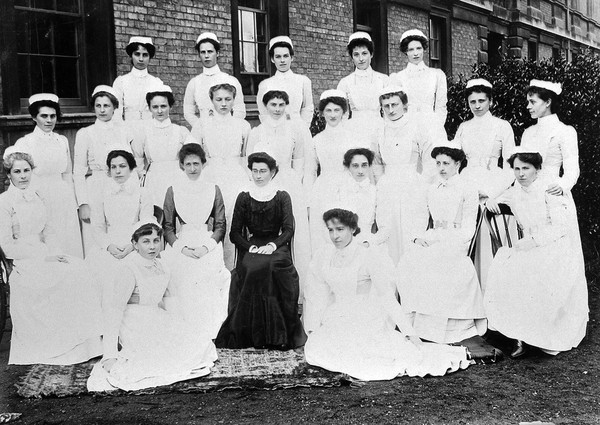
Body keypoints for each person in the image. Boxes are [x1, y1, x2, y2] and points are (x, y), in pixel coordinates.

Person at [303, 208, 470, 381]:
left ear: (352, 229)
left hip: (363, 317)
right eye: (331, 230)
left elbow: (387, 298)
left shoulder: (367, 255)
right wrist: (313, 325)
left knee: (362, 359)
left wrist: (410, 333)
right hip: (338, 314)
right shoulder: (326, 255)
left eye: (340, 229)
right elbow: (320, 294)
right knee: (315, 348)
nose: (335, 236)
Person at [87, 222, 218, 391]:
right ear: (135, 244)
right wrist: (110, 355)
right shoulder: (128, 268)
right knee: (155, 357)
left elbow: (171, 299)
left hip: (155, 316)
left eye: (156, 241)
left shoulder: (163, 266)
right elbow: (114, 311)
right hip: (133, 322)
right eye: (146, 241)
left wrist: (180, 327)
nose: (152, 246)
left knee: (197, 343)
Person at [1, 150, 102, 365]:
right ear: (8, 175)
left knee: (80, 269)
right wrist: (40, 257)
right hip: (23, 259)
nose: (23, 176)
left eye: (26, 170)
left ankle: (85, 345)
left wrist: (55, 252)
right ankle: (56, 346)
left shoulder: (38, 196)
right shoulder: (5, 201)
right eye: (17, 171)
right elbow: (6, 245)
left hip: (45, 253)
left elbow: (49, 232)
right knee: (61, 276)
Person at [484, 149, 588, 357]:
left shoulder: (549, 190)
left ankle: (536, 333)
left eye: (526, 168)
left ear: (537, 169)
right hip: (528, 245)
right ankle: (518, 335)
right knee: (505, 267)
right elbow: (494, 199)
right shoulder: (514, 191)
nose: (521, 173)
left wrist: (534, 241)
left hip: (554, 245)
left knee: (533, 272)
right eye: (516, 169)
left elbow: (561, 227)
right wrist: (490, 201)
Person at [396, 142, 486, 344]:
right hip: (434, 234)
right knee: (411, 257)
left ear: (458, 164)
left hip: (457, 237)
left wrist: (450, 240)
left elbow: (469, 227)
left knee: (438, 258)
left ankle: (447, 329)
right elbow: (421, 218)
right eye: (438, 163)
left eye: (446, 163)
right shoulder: (432, 188)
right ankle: (419, 325)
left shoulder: (467, 188)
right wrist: (419, 237)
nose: (442, 168)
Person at [215, 152, 306, 349]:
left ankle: (278, 335)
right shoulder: (244, 197)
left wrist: (272, 246)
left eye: (263, 171)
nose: (258, 175)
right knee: (250, 266)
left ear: (272, 172)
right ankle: (255, 334)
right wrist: (252, 247)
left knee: (274, 264)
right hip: (254, 245)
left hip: (277, 246)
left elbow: (289, 229)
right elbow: (235, 233)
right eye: (255, 171)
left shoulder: (282, 196)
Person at [161, 143, 231, 338]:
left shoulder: (213, 189)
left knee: (207, 272)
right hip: (182, 241)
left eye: (196, 164)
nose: (192, 169)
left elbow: (220, 225)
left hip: (207, 242)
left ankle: (208, 329)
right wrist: (181, 247)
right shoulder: (173, 190)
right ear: (181, 166)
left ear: (203, 164)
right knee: (181, 271)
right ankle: (184, 327)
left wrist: (206, 247)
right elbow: (167, 226)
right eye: (188, 164)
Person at [247, 89, 311, 292]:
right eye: (273, 105)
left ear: (286, 106)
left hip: (289, 182)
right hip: (265, 184)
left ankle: (295, 288)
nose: (277, 109)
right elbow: (250, 162)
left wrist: (294, 181)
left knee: (294, 230)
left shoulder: (294, 130)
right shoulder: (257, 131)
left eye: (281, 104)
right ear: (266, 106)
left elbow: (299, 161)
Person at [453, 78, 515, 285]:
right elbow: (454, 161)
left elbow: (510, 167)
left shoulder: (502, 126)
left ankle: (493, 287)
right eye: (472, 102)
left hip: (494, 183)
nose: (477, 106)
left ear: (490, 101)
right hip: (468, 180)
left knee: (493, 229)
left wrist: (490, 193)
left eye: (482, 100)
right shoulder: (463, 127)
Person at [519, 79, 585, 267]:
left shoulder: (565, 131)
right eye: (527, 102)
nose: (528, 107)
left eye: (533, 102)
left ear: (547, 102)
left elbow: (572, 169)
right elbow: (520, 167)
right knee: (531, 248)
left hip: (553, 194)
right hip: (530, 196)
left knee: (557, 252)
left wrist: (562, 186)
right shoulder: (528, 132)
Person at [374, 85, 441, 264]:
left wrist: (422, 184)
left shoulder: (417, 128)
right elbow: (376, 163)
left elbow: (429, 159)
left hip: (413, 185)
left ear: (404, 105)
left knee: (412, 233)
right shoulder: (379, 131)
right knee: (388, 233)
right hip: (388, 186)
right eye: (386, 106)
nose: (391, 110)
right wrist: (381, 183)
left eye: (394, 104)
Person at [13, 93, 83, 258]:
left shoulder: (62, 141)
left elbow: (67, 173)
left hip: (63, 196)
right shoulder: (25, 143)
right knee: (46, 239)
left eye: (53, 116)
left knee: (67, 240)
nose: (49, 120)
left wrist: (73, 202)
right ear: (34, 117)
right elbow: (19, 179)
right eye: (44, 116)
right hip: (38, 196)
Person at [190, 83, 251, 269]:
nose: (223, 104)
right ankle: (211, 267)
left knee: (235, 220)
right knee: (212, 220)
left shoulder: (243, 125)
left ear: (234, 100)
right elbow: (192, 153)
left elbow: (246, 155)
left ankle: (234, 269)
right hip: (211, 174)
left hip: (236, 174)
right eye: (219, 99)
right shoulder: (202, 124)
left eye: (228, 99)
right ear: (212, 101)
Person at [74, 85, 135, 254]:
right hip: (96, 186)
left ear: (115, 107)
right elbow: (78, 171)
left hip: (119, 185)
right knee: (96, 233)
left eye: (106, 105)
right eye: (98, 105)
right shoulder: (85, 133)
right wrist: (83, 203)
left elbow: (131, 164)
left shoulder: (124, 131)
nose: (102, 110)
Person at [306, 89, 369, 253]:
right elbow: (311, 171)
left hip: (348, 187)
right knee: (324, 235)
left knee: (348, 231)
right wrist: (308, 200)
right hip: (323, 189)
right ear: (322, 113)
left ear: (343, 112)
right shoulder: (316, 140)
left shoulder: (353, 138)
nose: (332, 115)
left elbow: (360, 167)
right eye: (328, 110)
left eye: (337, 110)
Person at [87, 150, 154, 302]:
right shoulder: (101, 194)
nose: (117, 171)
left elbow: (146, 224)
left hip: (135, 245)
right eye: (113, 167)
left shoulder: (143, 193)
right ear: (109, 171)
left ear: (131, 168)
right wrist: (108, 246)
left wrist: (133, 246)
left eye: (122, 166)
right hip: (109, 244)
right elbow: (97, 228)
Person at [132, 84, 194, 216]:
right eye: (155, 107)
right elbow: (137, 160)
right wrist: (143, 177)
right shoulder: (142, 132)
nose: (159, 111)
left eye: (163, 106)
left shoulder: (181, 132)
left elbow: (192, 157)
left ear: (170, 106)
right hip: (153, 181)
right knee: (157, 215)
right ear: (149, 108)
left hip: (177, 179)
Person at [317, 148, 379, 249]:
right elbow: (328, 225)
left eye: (364, 165)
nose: (360, 171)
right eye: (355, 166)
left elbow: (385, 229)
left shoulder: (375, 192)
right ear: (348, 168)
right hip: (342, 245)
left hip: (367, 244)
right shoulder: (339, 190)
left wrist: (368, 243)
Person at [337, 31, 388, 145]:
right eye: (356, 54)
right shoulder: (345, 83)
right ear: (352, 57)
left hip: (379, 130)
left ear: (371, 54)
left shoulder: (383, 79)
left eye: (364, 53)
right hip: (354, 131)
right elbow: (343, 115)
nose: (361, 59)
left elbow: (387, 112)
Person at [183, 32, 246, 126]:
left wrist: (230, 127)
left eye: (210, 51)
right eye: (203, 52)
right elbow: (188, 112)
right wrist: (201, 129)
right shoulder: (194, 83)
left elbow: (240, 110)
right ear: (199, 55)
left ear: (217, 53)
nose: (206, 56)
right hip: (204, 134)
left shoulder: (231, 81)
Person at [390, 29, 447, 127]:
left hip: (431, 126)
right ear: (405, 52)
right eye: (411, 50)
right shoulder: (398, 77)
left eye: (419, 48)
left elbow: (441, 106)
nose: (415, 53)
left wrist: (437, 127)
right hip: (407, 127)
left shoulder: (437, 75)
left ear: (424, 49)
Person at [256, 36, 314, 125]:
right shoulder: (265, 85)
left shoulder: (303, 81)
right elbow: (263, 112)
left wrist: (302, 130)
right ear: (272, 59)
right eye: (278, 57)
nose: (282, 60)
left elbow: (307, 108)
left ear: (292, 57)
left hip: (298, 130)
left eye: (286, 56)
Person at [112, 36, 163, 123]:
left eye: (145, 55)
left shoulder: (156, 83)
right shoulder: (121, 82)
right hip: (128, 131)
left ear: (149, 57)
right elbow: (116, 113)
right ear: (131, 55)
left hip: (151, 131)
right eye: (137, 54)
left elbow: (161, 112)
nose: (141, 59)